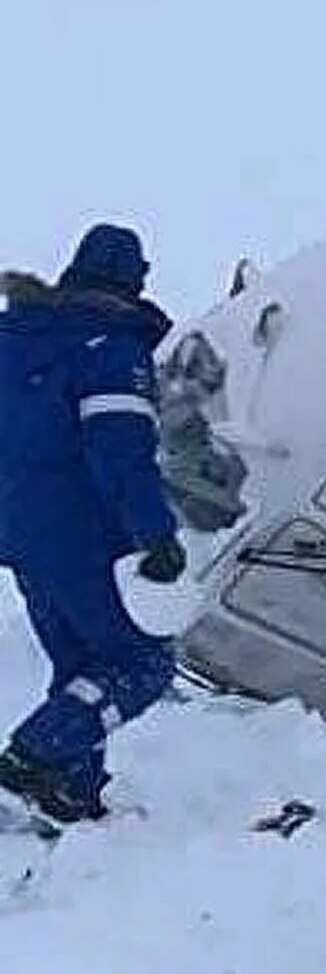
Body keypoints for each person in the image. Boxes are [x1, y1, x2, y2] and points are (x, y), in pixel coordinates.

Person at [0, 224, 184, 824]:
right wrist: (154, 534)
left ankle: (70, 793)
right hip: (76, 532)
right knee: (143, 663)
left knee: (82, 664)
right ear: (135, 279)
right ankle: (30, 758)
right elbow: (120, 451)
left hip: (18, 534)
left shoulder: (14, 337)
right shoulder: (109, 347)